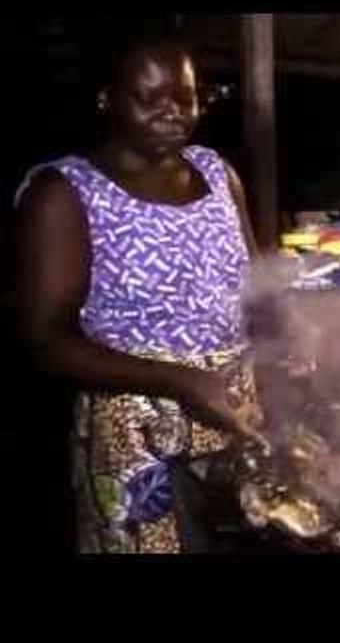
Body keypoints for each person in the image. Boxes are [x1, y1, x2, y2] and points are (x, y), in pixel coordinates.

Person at [15, 31, 265, 553]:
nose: (173, 111)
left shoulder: (218, 174)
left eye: (187, 96)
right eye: (150, 97)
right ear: (108, 99)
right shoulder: (66, 193)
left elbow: (256, 285)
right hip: (134, 437)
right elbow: (46, 340)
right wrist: (181, 381)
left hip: (234, 420)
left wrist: (291, 338)